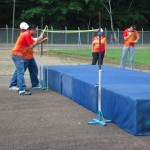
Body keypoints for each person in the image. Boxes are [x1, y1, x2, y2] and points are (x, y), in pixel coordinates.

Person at [9, 23, 47, 95]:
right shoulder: (26, 34)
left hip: (21, 54)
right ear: (31, 30)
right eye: (35, 31)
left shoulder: (27, 34)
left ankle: (16, 86)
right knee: (20, 72)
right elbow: (32, 46)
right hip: (19, 54)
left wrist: (41, 40)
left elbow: (34, 43)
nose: (36, 32)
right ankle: (22, 89)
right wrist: (39, 38)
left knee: (24, 70)